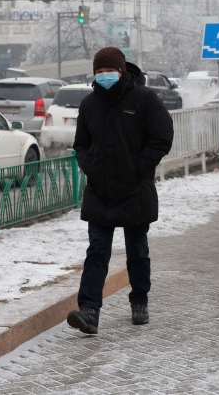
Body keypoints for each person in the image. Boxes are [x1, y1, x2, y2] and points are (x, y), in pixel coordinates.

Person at [66, 47, 174, 335]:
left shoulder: (144, 98)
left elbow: (162, 137)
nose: (103, 76)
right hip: (100, 190)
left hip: (135, 189)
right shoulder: (89, 104)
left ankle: (139, 300)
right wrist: (90, 166)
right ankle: (89, 311)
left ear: (122, 70)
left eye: (108, 71)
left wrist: (139, 167)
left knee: (137, 251)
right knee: (97, 252)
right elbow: (81, 144)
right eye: (98, 72)